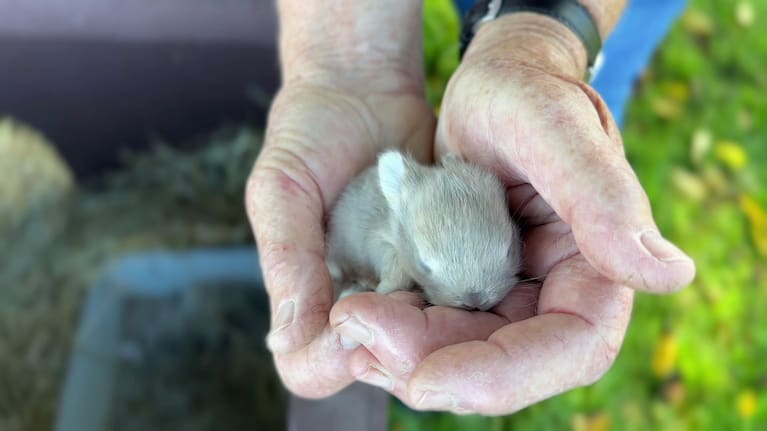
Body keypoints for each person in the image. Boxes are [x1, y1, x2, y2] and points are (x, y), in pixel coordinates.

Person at [245, 0, 696, 415]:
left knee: (588, 99)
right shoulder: (398, 208)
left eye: (505, 249)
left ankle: (568, 83)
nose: (476, 300)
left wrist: (545, 38)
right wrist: (347, 66)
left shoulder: (480, 179)